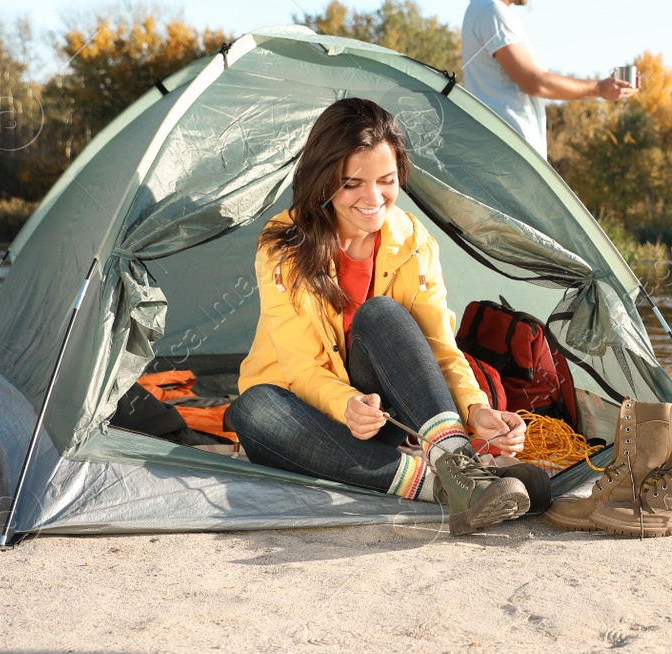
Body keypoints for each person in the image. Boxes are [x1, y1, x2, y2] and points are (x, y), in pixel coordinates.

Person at [226, 97, 541, 534]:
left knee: (383, 314)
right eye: (353, 183)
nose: (374, 199)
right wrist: (345, 403)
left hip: (382, 417)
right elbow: (300, 368)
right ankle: (445, 486)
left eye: (387, 181)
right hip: (305, 414)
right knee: (252, 409)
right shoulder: (284, 245)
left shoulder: (413, 240)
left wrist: (475, 407)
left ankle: (457, 462)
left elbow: (439, 350)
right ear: (324, 181)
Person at [460, 0, 636, 159]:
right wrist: (600, 89)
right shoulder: (491, 11)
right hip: (509, 158)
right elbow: (534, 82)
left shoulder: (483, 10)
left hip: (505, 156)